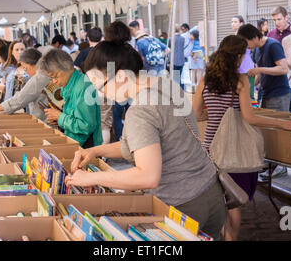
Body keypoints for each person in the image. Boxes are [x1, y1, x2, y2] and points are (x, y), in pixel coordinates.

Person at [67, 40, 227, 240]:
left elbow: (147, 177)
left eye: (100, 86)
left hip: (182, 205)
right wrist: (96, 151)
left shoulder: (140, 110)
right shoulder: (166, 84)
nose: (100, 94)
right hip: (210, 193)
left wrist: (92, 178)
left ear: (121, 75)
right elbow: (143, 144)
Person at [192, 35, 291, 241]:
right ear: (239, 56)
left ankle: (222, 236)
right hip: (231, 149)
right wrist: (282, 123)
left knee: (217, 201)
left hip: (208, 149)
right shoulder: (239, 80)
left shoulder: (205, 79)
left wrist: (216, 114)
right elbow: (249, 117)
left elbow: (196, 114)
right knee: (233, 203)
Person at [39, 49, 102, 148]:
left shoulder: (83, 87)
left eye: (55, 76)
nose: (54, 81)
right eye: (51, 78)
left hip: (86, 147)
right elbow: (75, 118)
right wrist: (58, 120)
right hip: (74, 142)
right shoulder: (69, 85)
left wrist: (60, 117)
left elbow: (86, 126)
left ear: (67, 67)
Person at [0, 48, 50, 121]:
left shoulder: (38, 78)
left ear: (31, 65)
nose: (26, 72)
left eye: (25, 68)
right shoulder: (45, 74)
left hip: (44, 122)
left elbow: (19, 100)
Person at [237, 24, 290, 111]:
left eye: (246, 43)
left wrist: (259, 70)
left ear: (254, 37)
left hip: (278, 94)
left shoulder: (273, 45)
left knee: (277, 123)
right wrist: (246, 86)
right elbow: (258, 76)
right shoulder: (255, 50)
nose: (246, 47)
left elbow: (284, 69)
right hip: (265, 93)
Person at [104, 21, 133, 141]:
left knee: (116, 117)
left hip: (118, 89)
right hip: (132, 87)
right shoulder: (130, 49)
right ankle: (132, 139)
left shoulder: (110, 52)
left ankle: (121, 141)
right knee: (132, 116)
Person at [232, 16, 255, 99]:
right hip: (238, 63)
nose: (233, 24)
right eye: (232, 22)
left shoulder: (246, 35)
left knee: (248, 91)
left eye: (235, 22)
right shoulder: (234, 36)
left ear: (241, 23)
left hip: (246, 62)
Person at [171, 26, 186, 91]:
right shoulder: (183, 38)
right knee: (179, 77)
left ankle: (177, 91)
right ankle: (181, 90)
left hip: (174, 60)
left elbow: (169, 48)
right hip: (181, 60)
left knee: (175, 77)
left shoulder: (171, 38)